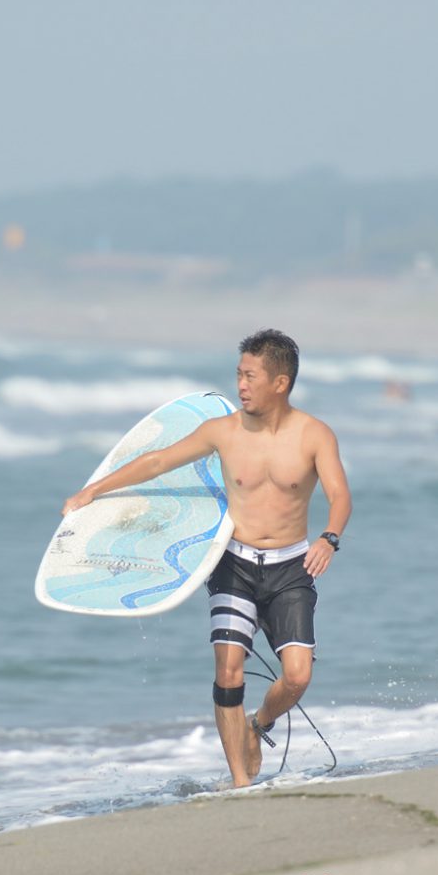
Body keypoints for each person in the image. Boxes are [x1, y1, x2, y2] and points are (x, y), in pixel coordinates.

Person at [62, 329, 351, 788]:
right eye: (238, 374)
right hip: (233, 565)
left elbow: (339, 495)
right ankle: (241, 782)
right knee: (228, 668)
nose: (241, 385)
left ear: (280, 382)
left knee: (296, 677)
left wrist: (329, 538)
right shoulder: (223, 432)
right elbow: (159, 461)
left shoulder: (314, 436)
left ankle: (259, 725)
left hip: (290, 569)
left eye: (251, 376)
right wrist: (93, 490)